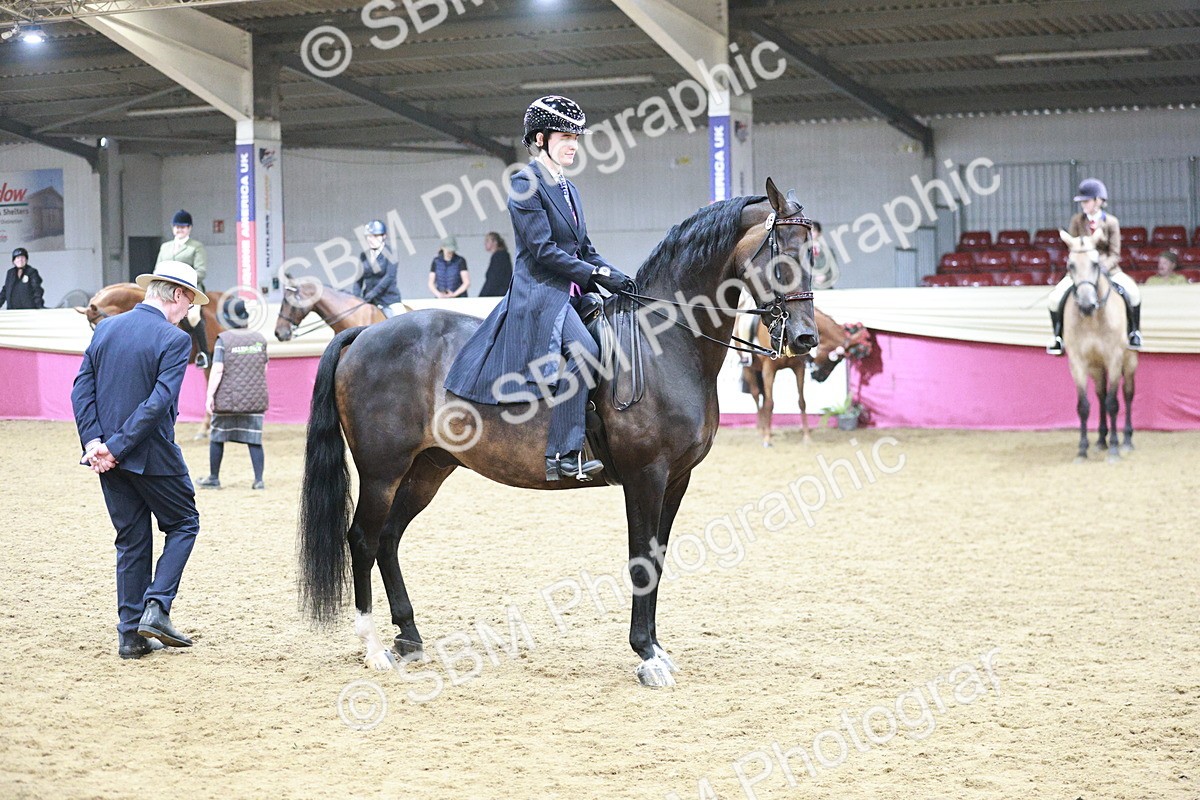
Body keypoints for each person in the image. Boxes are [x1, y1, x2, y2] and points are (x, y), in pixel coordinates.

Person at [444, 95, 634, 482]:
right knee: (586, 353)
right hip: (541, 293)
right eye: (565, 136)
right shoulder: (524, 183)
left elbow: (586, 249)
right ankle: (562, 454)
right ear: (541, 138)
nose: (572, 145)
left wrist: (622, 277)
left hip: (573, 293)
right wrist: (595, 276)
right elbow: (543, 250)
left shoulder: (570, 190)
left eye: (576, 139)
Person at [70, 260, 206, 660]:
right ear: (178, 295)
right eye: (189, 303)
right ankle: (157, 607)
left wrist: (97, 443)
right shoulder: (175, 339)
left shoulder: (106, 328)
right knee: (184, 522)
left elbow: (82, 389)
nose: (189, 312)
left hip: (107, 458)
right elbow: (158, 402)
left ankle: (130, 636)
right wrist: (116, 446)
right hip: (152, 455)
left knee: (130, 541)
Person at [1046, 178, 1141, 355]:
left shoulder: (1111, 222)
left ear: (1098, 201)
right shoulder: (1077, 221)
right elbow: (1072, 247)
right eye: (1082, 201)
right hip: (1082, 272)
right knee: (1054, 298)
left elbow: (1115, 253)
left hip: (1108, 270)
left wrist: (1102, 268)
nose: (1083, 205)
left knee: (1133, 293)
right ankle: (1057, 337)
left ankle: (1134, 332)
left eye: (1086, 201)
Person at [196, 298, 269, 490]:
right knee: (254, 439)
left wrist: (210, 395)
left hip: (228, 399)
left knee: (217, 437)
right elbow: (264, 368)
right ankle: (259, 479)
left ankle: (214, 477)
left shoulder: (223, 341)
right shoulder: (260, 340)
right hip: (254, 399)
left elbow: (217, 370)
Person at [157, 210, 212, 367]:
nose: (179, 229)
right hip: (165, 290)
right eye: (176, 226)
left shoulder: (196, 247)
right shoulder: (165, 247)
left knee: (193, 318)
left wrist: (182, 282)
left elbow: (201, 271)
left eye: (183, 227)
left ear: (189, 228)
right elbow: (157, 269)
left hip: (190, 291)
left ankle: (204, 354)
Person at [355, 219, 404, 317]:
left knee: (402, 323)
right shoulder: (364, 255)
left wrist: (373, 293)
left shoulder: (391, 253)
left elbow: (389, 277)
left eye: (375, 236)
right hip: (368, 300)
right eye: (369, 236)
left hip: (388, 299)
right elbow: (358, 279)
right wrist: (356, 298)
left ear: (384, 236)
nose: (371, 239)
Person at [478, 231, 513, 297]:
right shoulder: (502, 255)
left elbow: (493, 278)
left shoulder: (499, 256)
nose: (485, 243)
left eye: (487, 241)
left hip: (498, 295)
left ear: (495, 242)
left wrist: (483, 295)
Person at [808, 221, 839, 289]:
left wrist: (825, 277)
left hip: (826, 288)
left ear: (819, 233)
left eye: (814, 231)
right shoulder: (803, 252)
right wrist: (814, 278)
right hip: (810, 289)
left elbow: (835, 271)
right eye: (809, 231)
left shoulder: (828, 251)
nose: (811, 233)